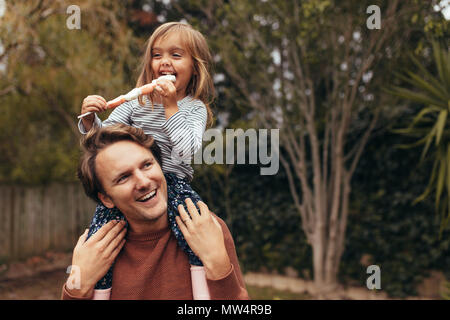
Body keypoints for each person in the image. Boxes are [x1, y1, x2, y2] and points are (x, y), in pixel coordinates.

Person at [77, 22, 214, 291]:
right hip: (131, 182)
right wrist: (91, 119)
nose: (164, 62)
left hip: (173, 183)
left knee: (196, 235)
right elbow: (104, 140)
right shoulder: (136, 102)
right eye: (157, 54)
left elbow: (187, 151)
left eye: (176, 55)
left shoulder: (194, 108)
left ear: (195, 67)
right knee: (99, 239)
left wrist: (171, 107)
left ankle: (201, 294)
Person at [63, 124, 249, 299]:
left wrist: (218, 265)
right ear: (106, 198)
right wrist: (79, 286)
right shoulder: (96, 251)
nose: (144, 182)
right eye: (124, 177)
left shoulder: (207, 228)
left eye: (147, 165)